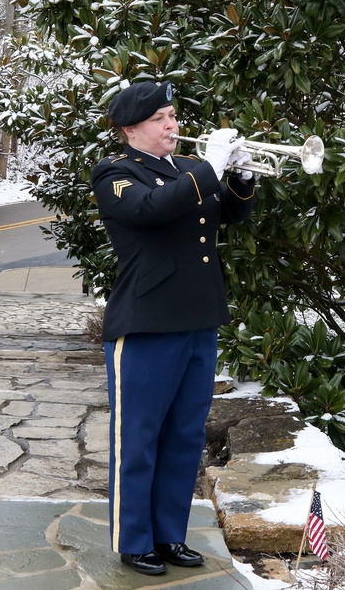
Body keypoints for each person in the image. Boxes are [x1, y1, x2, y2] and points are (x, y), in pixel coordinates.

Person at [90, 81, 257, 576]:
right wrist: (211, 168)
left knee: (185, 436)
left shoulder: (187, 170)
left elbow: (231, 215)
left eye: (173, 116)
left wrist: (242, 176)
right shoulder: (116, 174)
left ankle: (169, 535)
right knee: (138, 438)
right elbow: (149, 210)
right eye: (160, 119)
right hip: (146, 323)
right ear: (130, 129)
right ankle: (134, 540)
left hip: (199, 318)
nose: (172, 126)